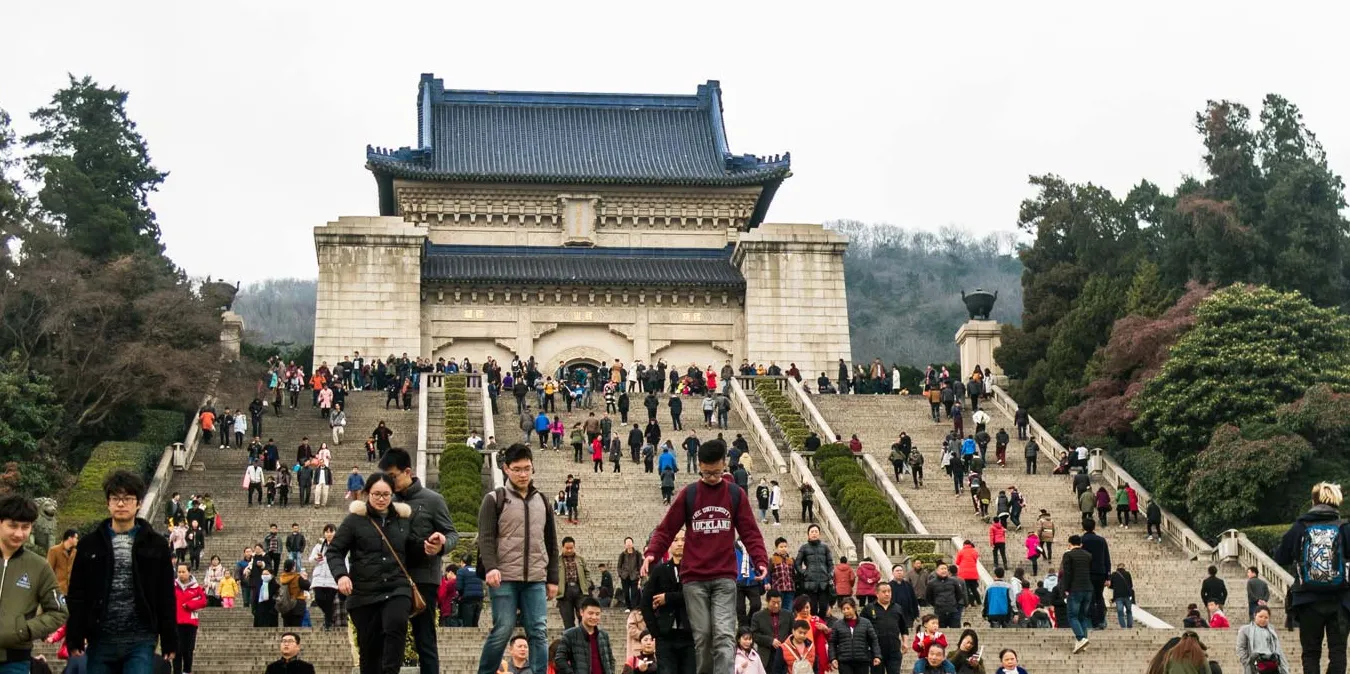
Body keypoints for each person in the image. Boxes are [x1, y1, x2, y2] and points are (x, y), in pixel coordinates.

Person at [643, 438, 768, 674]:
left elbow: (750, 531)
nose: (712, 477)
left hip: (724, 577)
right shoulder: (689, 494)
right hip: (694, 579)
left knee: (723, 635)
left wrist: (759, 559)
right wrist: (651, 553)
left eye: (717, 472)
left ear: (724, 465)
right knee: (703, 638)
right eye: (707, 473)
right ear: (699, 465)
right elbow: (667, 529)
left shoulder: (735, 494)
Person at [66, 470, 177, 671]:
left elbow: (165, 595)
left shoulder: (156, 544)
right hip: (100, 637)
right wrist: (74, 636)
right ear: (107, 503)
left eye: (127, 498)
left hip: (141, 637)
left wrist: (169, 636)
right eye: (115, 498)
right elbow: (77, 594)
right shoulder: (89, 544)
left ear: (139, 503)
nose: (120, 504)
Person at [327, 473, 429, 674]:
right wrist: (342, 575)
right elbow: (335, 551)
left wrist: (429, 546)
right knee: (369, 647)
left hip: (397, 587)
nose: (381, 499)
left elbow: (413, 550)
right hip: (364, 592)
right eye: (376, 494)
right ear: (367, 494)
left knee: (396, 625)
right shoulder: (354, 521)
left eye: (386, 494)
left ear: (393, 495)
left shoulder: (403, 520)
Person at [477, 443, 559, 674]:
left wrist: (552, 578)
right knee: (502, 629)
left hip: (535, 578)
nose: (523, 474)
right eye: (517, 469)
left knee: (538, 630)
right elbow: (485, 537)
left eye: (527, 468)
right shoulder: (495, 499)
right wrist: (491, 567)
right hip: (504, 577)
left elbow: (551, 542)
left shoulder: (542, 501)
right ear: (506, 469)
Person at [380, 448, 457, 674]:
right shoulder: (386, 502)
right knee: (391, 638)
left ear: (408, 472)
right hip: (392, 579)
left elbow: (452, 534)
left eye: (392, 477)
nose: (389, 483)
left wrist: (441, 543)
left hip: (423, 578)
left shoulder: (433, 500)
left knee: (425, 640)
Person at [0, 495, 67, 673]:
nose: (19, 533)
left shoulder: (39, 566)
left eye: (25, 527)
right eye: (13, 526)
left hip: (15, 662)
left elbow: (59, 611)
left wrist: (25, 630)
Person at [555, 597, 615, 674]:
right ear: (581, 612)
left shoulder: (604, 636)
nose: (594, 617)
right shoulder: (570, 635)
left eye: (597, 614)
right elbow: (560, 659)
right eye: (590, 613)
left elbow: (611, 659)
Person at [861, 582, 906, 674]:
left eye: (889, 591)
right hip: (876, 651)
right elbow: (861, 628)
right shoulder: (868, 608)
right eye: (884, 591)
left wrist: (905, 642)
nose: (887, 594)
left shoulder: (897, 608)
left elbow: (903, 628)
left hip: (894, 650)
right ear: (877, 593)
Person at [829, 597, 880, 674]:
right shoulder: (837, 624)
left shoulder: (866, 623)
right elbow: (832, 642)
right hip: (844, 662)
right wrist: (833, 658)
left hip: (862, 661)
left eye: (848, 608)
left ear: (854, 608)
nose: (846, 611)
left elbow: (873, 640)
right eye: (843, 609)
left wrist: (877, 655)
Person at [1060, 534, 1093, 653]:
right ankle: (1083, 641)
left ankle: (1081, 638)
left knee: (1072, 616)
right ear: (1081, 544)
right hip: (1088, 589)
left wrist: (1065, 589)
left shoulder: (1068, 555)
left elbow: (1067, 574)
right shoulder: (1088, 555)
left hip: (1075, 589)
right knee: (1082, 616)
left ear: (1069, 543)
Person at [172, 563, 207, 674]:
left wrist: (190, 605)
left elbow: (203, 601)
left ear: (189, 572)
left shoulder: (196, 587)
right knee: (177, 649)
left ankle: (187, 671)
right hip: (176, 622)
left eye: (183, 572)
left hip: (190, 623)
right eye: (179, 572)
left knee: (188, 649)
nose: (181, 574)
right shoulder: (173, 586)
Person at [1236, 606, 1290, 674]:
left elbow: (1278, 649)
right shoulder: (1245, 630)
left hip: (1271, 662)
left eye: (1266, 617)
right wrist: (1247, 662)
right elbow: (1240, 648)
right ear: (1255, 615)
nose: (1263, 619)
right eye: (1260, 616)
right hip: (1256, 662)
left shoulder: (1271, 631)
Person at [796, 525, 834, 618]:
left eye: (816, 531)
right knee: (812, 608)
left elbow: (831, 564)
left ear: (819, 534)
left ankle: (821, 625)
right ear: (808, 534)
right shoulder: (804, 548)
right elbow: (797, 564)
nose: (814, 533)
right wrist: (804, 573)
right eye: (812, 532)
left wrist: (829, 575)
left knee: (823, 607)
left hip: (823, 583)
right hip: (810, 583)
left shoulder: (825, 547)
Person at [309, 524, 342, 630]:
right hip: (319, 577)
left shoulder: (340, 546)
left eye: (331, 531)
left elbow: (344, 561)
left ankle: (328, 623)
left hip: (332, 577)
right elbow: (311, 560)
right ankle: (330, 617)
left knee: (329, 601)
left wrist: (344, 575)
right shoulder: (319, 546)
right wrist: (317, 558)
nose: (329, 534)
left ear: (335, 533)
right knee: (319, 599)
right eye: (327, 532)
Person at [750, 590, 792, 673]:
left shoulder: (788, 615)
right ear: (767, 601)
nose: (776, 605)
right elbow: (754, 635)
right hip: (766, 655)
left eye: (779, 602)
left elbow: (792, 633)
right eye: (773, 602)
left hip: (784, 654)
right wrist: (770, 641)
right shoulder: (757, 616)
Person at [1079, 519, 1110, 630]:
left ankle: (1095, 622)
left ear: (1083, 527)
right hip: (1100, 572)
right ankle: (1101, 620)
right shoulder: (1101, 540)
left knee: (1090, 598)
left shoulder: (1081, 540)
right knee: (1099, 597)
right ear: (1094, 527)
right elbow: (1107, 558)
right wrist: (1108, 576)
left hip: (1087, 573)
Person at [924, 563, 966, 629]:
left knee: (955, 630)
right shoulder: (931, 583)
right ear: (937, 571)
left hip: (953, 610)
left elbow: (959, 594)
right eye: (942, 569)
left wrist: (954, 602)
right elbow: (928, 597)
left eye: (945, 569)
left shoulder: (954, 581)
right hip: (939, 611)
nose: (944, 570)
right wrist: (936, 603)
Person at [46, 528, 78, 595]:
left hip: (71, 591)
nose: (77, 540)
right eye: (76, 538)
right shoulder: (54, 550)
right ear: (70, 538)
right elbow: (49, 570)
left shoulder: (75, 552)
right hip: (57, 590)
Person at [1110, 563, 1135, 629]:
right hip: (1127, 595)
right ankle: (1129, 626)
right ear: (1124, 567)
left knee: (1120, 612)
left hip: (1118, 596)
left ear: (1117, 567)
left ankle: (1123, 626)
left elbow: (1111, 585)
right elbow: (1131, 585)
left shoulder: (1114, 574)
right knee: (1129, 611)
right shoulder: (1127, 574)